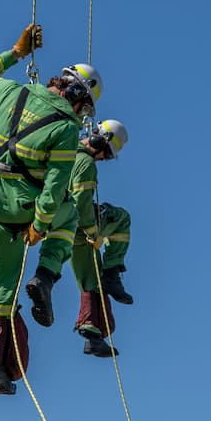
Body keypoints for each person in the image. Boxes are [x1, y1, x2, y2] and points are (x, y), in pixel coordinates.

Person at [0, 25, 103, 395]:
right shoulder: (64, 129)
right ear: (77, 98)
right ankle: (45, 277)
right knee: (70, 214)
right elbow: (56, 187)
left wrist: (15, 52)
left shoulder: (8, 93)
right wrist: (41, 227)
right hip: (27, 213)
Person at [68, 120, 133, 357]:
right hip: (77, 224)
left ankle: (92, 337)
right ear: (98, 140)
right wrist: (92, 231)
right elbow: (81, 202)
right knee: (122, 218)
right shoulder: (85, 163)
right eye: (105, 152)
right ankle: (113, 272)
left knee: (90, 280)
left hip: (59, 229)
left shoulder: (65, 150)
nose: (103, 158)